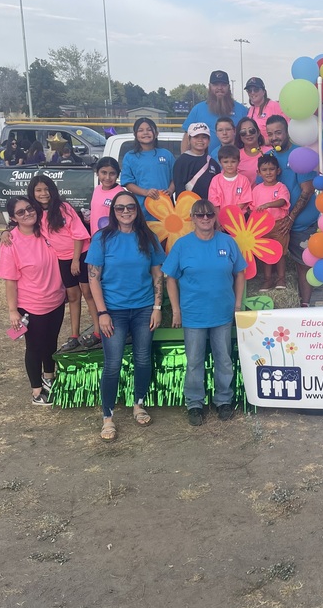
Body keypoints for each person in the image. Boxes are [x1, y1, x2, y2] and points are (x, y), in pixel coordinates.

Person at [86, 191, 166, 442]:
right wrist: (102, 312)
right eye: (120, 208)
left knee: (143, 359)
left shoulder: (148, 237)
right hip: (113, 311)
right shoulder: (102, 238)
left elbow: (157, 275)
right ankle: (107, 416)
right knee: (113, 364)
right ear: (113, 211)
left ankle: (138, 403)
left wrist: (157, 307)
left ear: (137, 209)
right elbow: (93, 278)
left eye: (130, 207)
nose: (125, 211)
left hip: (144, 309)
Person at [164, 199, 246, 426]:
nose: (205, 218)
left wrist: (237, 305)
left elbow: (240, 274)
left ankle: (223, 400)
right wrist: (177, 310)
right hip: (194, 314)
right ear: (192, 218)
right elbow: (170, 279)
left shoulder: (228, 242)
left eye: (209, 214)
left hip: (222, 312)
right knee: (194, 361)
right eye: (200, 215)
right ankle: (195, 403)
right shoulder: (182, 245)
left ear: (215, 216)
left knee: (224, 359)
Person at [0, 196, 67, 405]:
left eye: (29, 209)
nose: (27, 214)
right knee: (35, 347)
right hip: (31, 305)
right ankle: (37, 391)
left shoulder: (45, 230)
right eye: (20, 212)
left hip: (56, 299)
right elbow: (10, 281)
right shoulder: (10, 243)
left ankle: (49, 377)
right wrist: (12, 311)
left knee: (51, 341)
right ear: (13, 218)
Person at [28, 175, 102, 352]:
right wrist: (7, 233)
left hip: (81, 254)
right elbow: (17, 223)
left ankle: (98, 331)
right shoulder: (34, 212)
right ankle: (74, 335)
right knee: (72, 296)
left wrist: (76, 260)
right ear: (32, 193)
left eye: (46, 189)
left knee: (88, 293)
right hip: (61, 258)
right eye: (38, 190)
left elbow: (78, 234)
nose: (43, 193)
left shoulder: (63, 208)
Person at [265, 115, 320, 307]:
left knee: (303, 264)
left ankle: (305, 305)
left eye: (278, 132)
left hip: (301, 224)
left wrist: (291, 218)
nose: (274, 137)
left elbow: (308, 190)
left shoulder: (300, 154)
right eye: (270, 134)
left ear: (287, 132)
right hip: (277, 225)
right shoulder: (268, 157)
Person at [182, 70, 248, 161]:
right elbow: (187, 136)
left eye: (223, 85)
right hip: (204, 165)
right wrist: (184, 160)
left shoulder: (242, 110)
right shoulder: (197, 109)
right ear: (209, 86)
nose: (220, 88)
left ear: (229, 87)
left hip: (235, 164)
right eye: (216, 85)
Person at [120, 117, 175, 221]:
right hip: (141, 210)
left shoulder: (166, 154)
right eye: (140, 130)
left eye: (149, 129)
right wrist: (145, 192)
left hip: (165, 210)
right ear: (135, 135)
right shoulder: (130, 156)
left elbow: (175, 178)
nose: (145, 133)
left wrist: (170, 190)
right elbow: (128, 183)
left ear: (156, 133)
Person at [251, 153, 290, 289]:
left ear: (278, 171)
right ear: (259, 172)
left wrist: (268, 205)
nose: (268, 172)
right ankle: (267, 279)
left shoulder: (281, 187)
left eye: (271, 169)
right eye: (264, 170)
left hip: (278, 225)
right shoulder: (256, 189)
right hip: (262, 227)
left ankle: (281, 279)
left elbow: (282, 201)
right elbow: (252, 208)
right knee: (266, 253)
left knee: (280, 253)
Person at [173, 123, 221, 199]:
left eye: (204, 137)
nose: (200, 140)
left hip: (209, 207)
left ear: (209, 140)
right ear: (189, 139)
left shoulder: (213, 163)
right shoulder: (182, 161)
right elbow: (179, 187)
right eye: (196, 137)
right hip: (188, 207)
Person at [209, 145, 252, 212]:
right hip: (220, 217)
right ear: (220, 162)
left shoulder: (244, 180)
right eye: (226, 162)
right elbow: (214, 202)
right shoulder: (215, 180)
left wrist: (231, 214)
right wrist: (221, 217)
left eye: (233, 161)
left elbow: (244, 201)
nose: (229, 165)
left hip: (238, 217)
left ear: (238, 162)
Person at [90, 157, 122, 235]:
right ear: (97, 173)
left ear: (117, 175)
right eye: (104, 173)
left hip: (111, 239)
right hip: (96, 238)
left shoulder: (120, 195)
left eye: (112, 174)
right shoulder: (97, 190)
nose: (107, 177)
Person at [235, 117, 266, 183]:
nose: (248, 134)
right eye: (243, 132)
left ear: (258, 132)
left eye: (251, 131)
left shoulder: (270, 152)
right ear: (239, 136)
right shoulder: (235, 156)